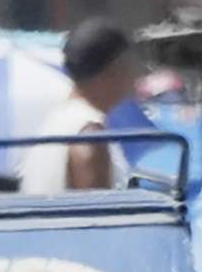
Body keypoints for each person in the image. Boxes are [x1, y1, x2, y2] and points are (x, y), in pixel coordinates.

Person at [16, 18, 136, 194]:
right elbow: (96, 217)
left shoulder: (57, 121)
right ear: (112, 71)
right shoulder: (89, 135)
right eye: (128, 65)